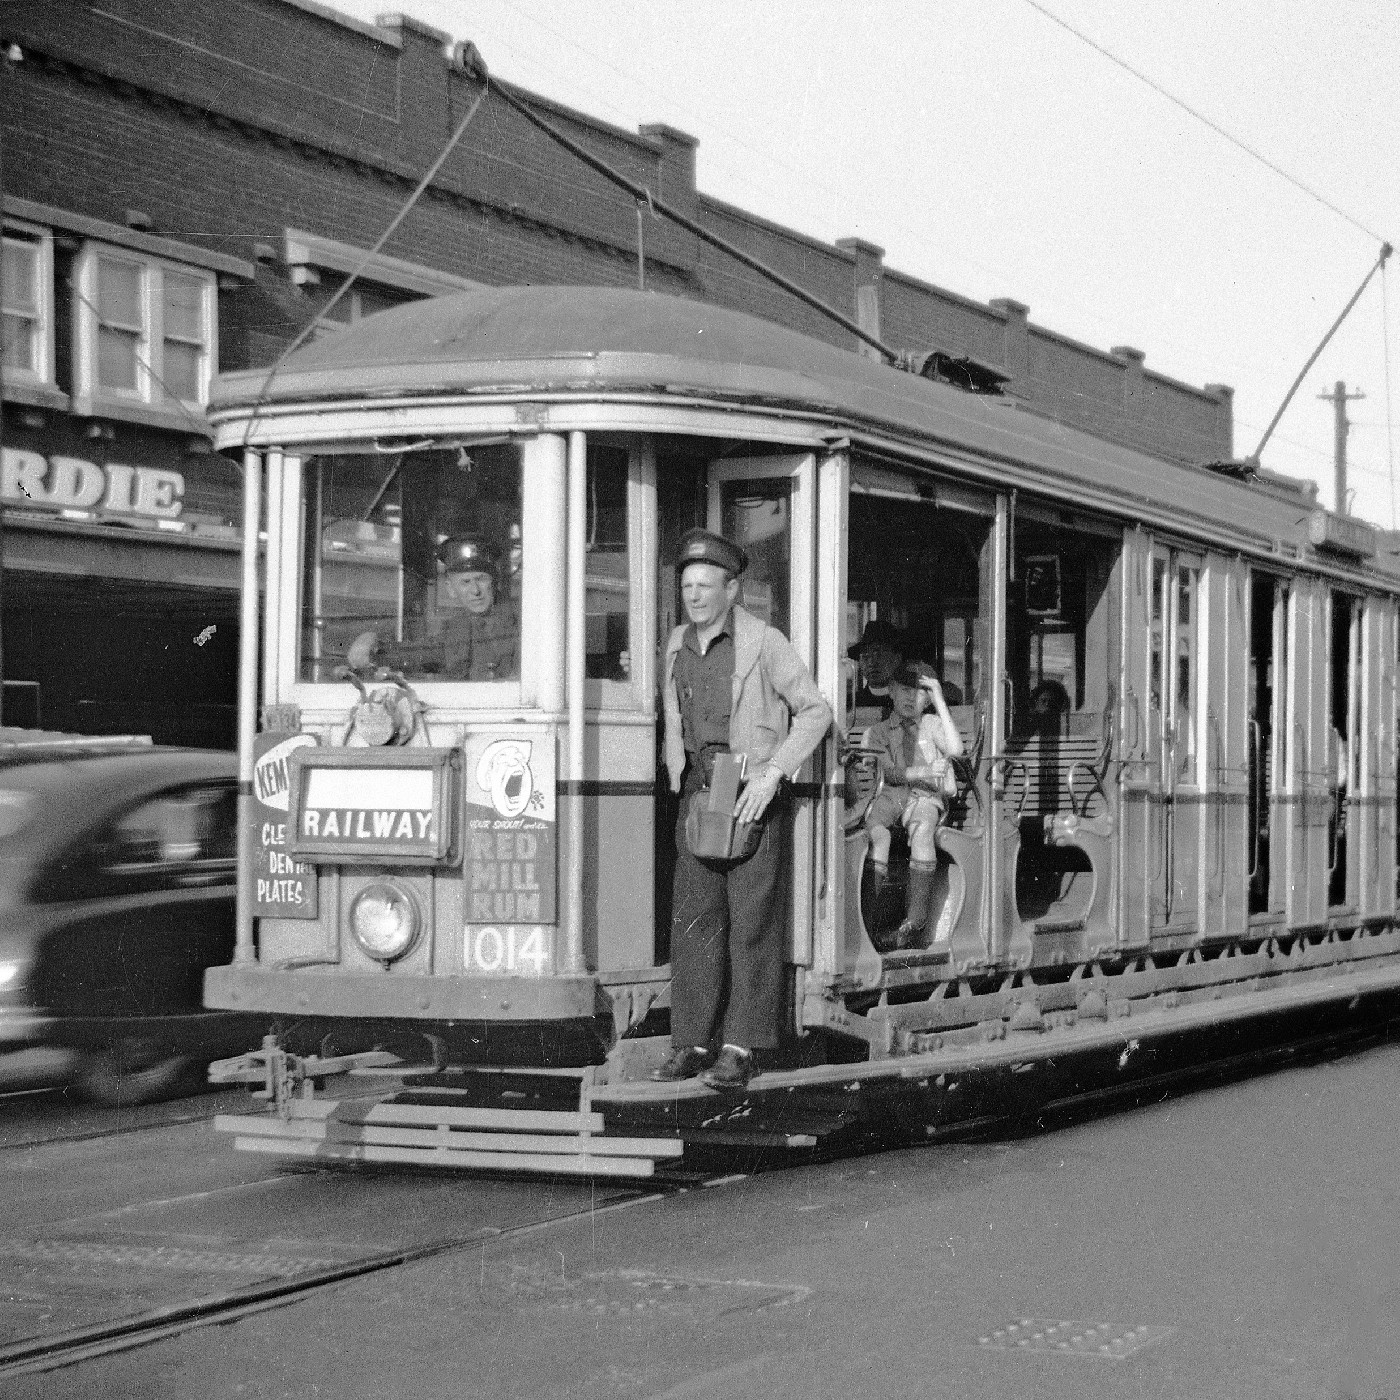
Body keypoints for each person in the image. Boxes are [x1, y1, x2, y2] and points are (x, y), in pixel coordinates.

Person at [655, 527, 832, 1090]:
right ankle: (692, 1042)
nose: (695, 595)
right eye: (687, 586)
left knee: (752, 922)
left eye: (706, 586)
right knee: (695, 922)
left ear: (733, 590)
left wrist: (774, 772)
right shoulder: (676, 643)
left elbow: (815, 711)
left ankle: (741, 1047)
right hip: (700, 790)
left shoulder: (764, 641)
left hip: (747, 787)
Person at [861, 660, 964, 948]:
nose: (910, 697)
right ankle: (868, 922)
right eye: (905, 689)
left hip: (923, 797)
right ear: (891, 691)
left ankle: (914, 921)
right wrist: (924, 770)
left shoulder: (931, 725)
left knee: (922, 827)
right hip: (891, 796)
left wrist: (939, 699)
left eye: (920, 693)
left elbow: (956, 750)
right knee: (877, 835)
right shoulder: (878, 732)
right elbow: (888, 772)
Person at [347, 534, 519, 682]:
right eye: (465, 582)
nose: (475, 591)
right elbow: (418, 654)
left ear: (495, 582)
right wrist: (371, 643)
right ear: (451, 589)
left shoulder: (522, 622)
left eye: (481, 579)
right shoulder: (457, 629)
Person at [849, 618, 903, 720]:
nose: (871, 663)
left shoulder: (909, 703)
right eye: (865, 657)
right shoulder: (851, 704)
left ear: (897, 659)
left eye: (879, 655)